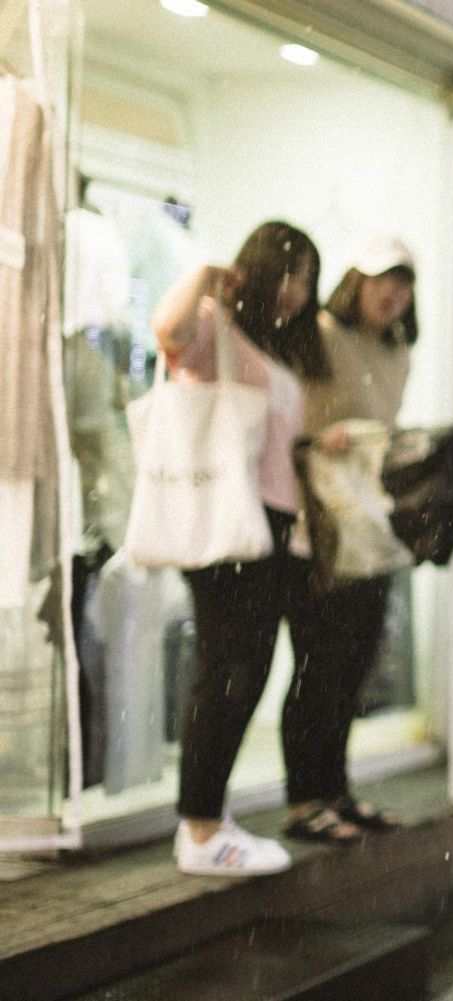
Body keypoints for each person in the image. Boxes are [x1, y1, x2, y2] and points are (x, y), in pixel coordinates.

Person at [152, 221, 332, 876]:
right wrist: (206, 272)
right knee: (227, 669)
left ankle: (208, 817)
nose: (300, 291)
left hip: (271, 528)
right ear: (260, 269)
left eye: (308, 279)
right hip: (226, 520)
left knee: (245, 670)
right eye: (292, 273)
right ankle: (199, 829)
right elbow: (166, 330)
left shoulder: (271, 346)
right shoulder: (213, 326)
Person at [283, 236, 419, 840]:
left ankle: (336, 791)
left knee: (354, 664)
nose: (393, 294)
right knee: (317, 662)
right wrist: (320, 439)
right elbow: (284, 420)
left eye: (405, 283)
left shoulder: (399, 352)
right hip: (316, 524)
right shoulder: (315, 334)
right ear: (355, 280)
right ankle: (301, 800)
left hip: (370, 524)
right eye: (381, 280)